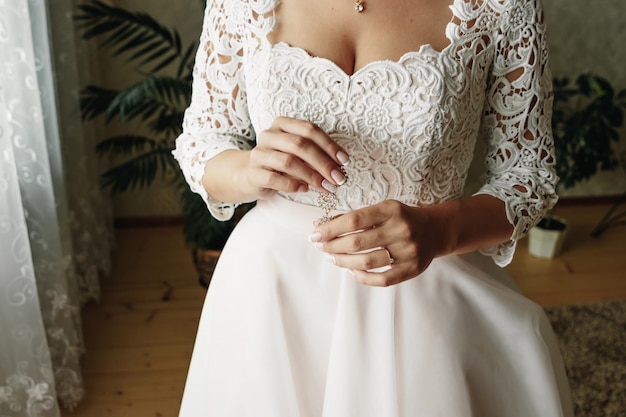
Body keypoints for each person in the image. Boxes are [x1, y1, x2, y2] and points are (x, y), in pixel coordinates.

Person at [173, 0, 574, 415]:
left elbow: (529, 175)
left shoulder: (503, 5)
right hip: (272, 289)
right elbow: (203, 140)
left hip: (426, 286)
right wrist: (250, 168)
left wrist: (438, 231)